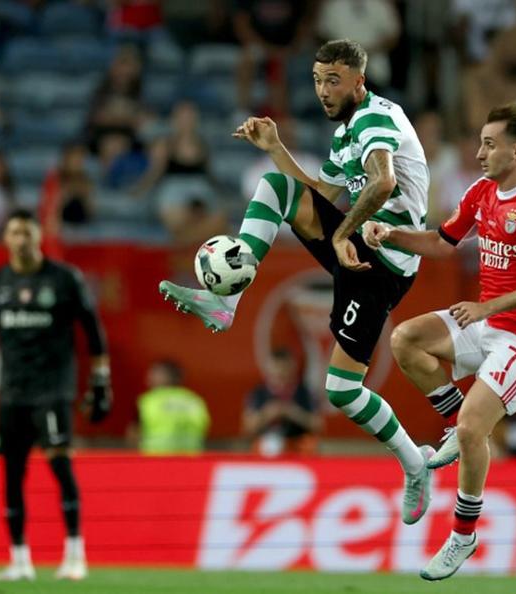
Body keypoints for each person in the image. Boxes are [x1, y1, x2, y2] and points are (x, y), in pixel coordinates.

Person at [159, 39, 435, 525]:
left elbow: (384, 182)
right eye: (316, 79)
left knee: (341, 390)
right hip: (359, 242)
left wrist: (345, 232)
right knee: (276, 184)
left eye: (333, 81)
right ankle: (229, 300)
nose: (323, 90)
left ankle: (414, 464)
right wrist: (276, 148)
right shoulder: (347, 128)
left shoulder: (372, 121)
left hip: (384, 264)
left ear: (358, 81)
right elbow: (326, 192)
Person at [365, 103, 516, 580]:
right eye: (480, 142)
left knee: (472, 428)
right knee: (406, 340)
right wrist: (389, 235)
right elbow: (443, 241)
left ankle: (463, 535)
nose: (479, 153)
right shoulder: (482, 191)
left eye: (489, 144)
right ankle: (457, 428)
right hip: (486, 324)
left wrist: (487, 308)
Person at [0, 208, 112, 582]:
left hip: (53, 388)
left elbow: (92, 329)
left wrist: (100, 379)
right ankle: (19, 560)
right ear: (6, 240)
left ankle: (75, 554)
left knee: (59, 464)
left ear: (38, 237)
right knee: (12, 473)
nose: (23, 239)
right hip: (13, 392)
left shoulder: (64, 280)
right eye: (15, 233)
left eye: (28, 233)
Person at [243, 347, 322, 456]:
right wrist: (269, 413)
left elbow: (318, 425)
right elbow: (248, 427)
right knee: (262, 446)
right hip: (267, 445)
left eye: (284, 369)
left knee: (309, 445)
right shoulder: (259, 393)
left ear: (292, 368)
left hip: (296, 443)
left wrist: (292, 412)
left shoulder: (304, 393)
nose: (280, 372)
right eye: (277, 368)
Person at [131, 359, 210, 455]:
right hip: (192, 461)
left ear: (166, 376)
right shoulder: (195, 400)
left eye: (154, 373)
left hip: (155, 460)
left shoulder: (149, 400)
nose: (148, 377)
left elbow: (134, 435)